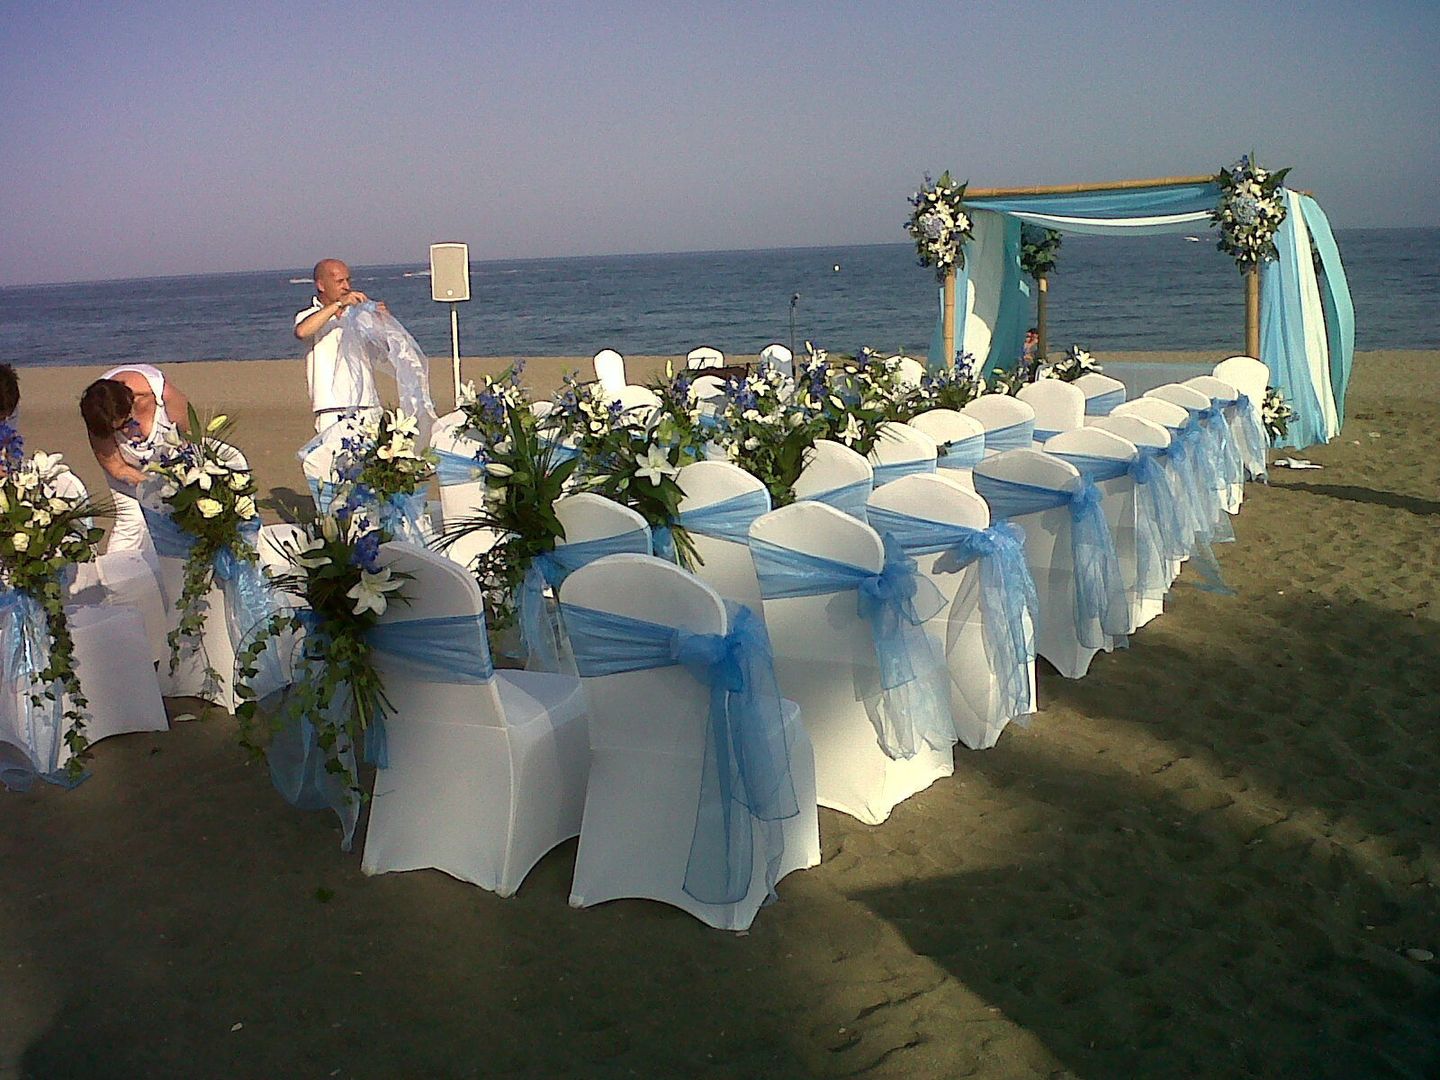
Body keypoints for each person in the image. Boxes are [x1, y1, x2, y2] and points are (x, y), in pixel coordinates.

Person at [80, 364, 190, 553]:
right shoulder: (98, 413)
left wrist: (177, 485)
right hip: (129, 469)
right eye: (116, 431)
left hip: (172, 459)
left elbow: (190, 438)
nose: (124, 432)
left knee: (181, 519)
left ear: (131, 406)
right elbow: (117, 468)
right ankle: (116, 577)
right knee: (132, 521)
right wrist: (153, 486)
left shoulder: (162, 395)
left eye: (126, 424)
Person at [294, 259, 384, 433]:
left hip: (367, 404)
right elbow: (302, 332)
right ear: (321, 285)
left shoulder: (359, 317)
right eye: (339, 282)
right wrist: (338, 305)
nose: (346, 286)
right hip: (332, 408)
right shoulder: (309, 315)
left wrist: (382, 321)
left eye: (348, 280)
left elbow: (383, 351)